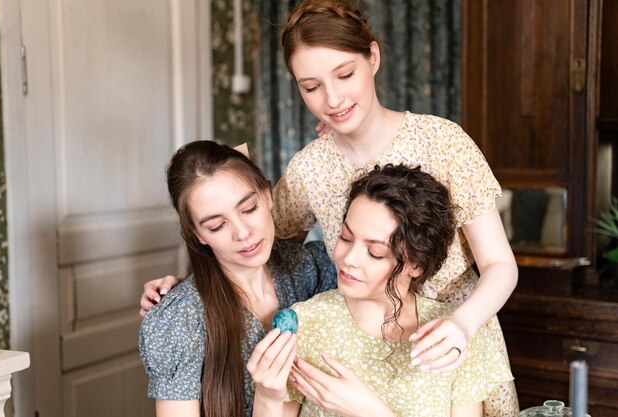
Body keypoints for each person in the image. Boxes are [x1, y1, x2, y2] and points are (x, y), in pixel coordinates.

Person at [141, 0, 519, 413]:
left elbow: (500, 265)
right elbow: (250, 240)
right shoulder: (310, 168)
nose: (333, 98)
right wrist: (186, 283)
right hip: (359, 349)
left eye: (345, 74)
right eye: (311, 87)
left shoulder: (443, 142)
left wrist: (463, 324)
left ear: (372, 58)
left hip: (452, 337)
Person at [247, 164, 513, 417]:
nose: (349, 258)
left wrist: (370, 411)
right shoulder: (306, 324)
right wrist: (268, 396)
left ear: (416, 264)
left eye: (375, 252)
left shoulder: (451, 341)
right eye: (346, 238)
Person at [138, 140, 336, 417]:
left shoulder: (309, 270)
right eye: (217, 226)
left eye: (249, 209)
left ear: (268, 195)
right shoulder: (181, 319)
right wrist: (267, 398)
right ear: (198, 234)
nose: (242, 233)